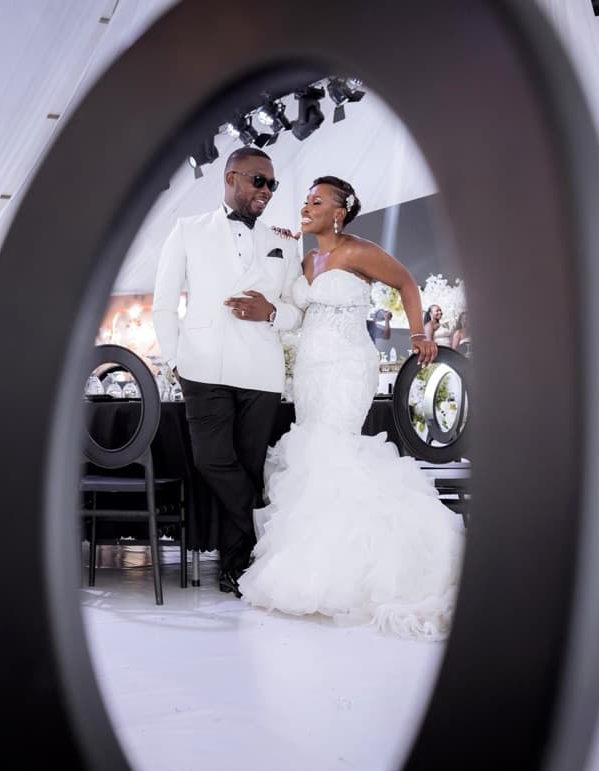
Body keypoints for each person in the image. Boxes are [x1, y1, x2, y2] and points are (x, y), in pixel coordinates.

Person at [239, 175, 465, 641]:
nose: (306, 207)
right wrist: (268, 310)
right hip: (308, 369)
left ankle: (360, 571)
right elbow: (300, 314)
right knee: (314, 455)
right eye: (305, 200)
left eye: (316, 201)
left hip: (345, 366)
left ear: (339, 211)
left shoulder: (358, 251)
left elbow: (405, 283)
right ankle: (317, 562)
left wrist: (420, 333)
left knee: (334, 449)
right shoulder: (306, 259)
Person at [152, 146, 303, 597]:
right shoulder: (186, 230)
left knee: (249, 465)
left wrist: (271, 311)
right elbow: (163, 303)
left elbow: (299, 310)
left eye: (272, 184)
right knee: (212, 460)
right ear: (230, 177)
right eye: (259, 181)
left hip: (262, 371)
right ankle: (263, 528)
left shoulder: (287, 239)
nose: (267, 191)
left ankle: (237, 568)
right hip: (203, 366)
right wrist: (177, 360)